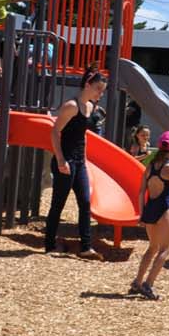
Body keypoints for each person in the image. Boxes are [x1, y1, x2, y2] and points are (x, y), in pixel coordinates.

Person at [44, 69, 109, 257]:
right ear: (87, 85)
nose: (100, 94)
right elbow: (55, 132)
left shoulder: (88, 106)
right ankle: (49, 245)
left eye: (102, 91)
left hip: (79, 161)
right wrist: (61, 159)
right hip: (66, 160)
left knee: (85, 202)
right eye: (98, 89)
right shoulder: (72, 106)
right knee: (59, 203)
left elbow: (82, 136)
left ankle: (86, 247)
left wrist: (85, 159)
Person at [129, 131, 169, 299]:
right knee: (165, 249)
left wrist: (141, 214)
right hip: (163, 208)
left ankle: (137, 281)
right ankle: (148, 285)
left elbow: (142, 190)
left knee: (152, 248)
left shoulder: (151, 166)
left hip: (150, 207)